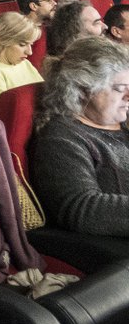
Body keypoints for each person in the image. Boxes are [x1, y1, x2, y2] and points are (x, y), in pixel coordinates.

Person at [32, 36, 129, 236]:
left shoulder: (122, 122)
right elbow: (82, 208)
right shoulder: (61, 138)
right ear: (83, 90)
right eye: (120, 89)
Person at [0, 11, 44, 106]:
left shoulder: (25, 63)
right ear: (2, 42)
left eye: (31, 45)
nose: (30, 52)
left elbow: (44, 95)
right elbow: (6, 110)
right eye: (22, 45)